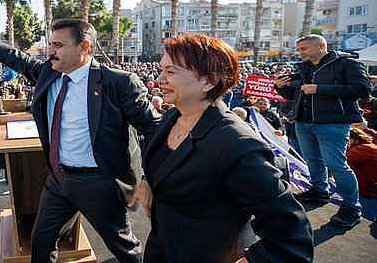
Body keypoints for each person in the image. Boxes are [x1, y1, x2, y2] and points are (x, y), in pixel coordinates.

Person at [0, 0, 161, 263]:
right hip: (58, 180)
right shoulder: (49, 72)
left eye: (58, 45)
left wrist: (149, 178)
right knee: (42, 242)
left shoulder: (118, 83)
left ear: (85, 47)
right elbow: (14, 56)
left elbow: (153, 128)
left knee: (124, 248)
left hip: (100, 184)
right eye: (50, 44)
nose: (50, 51)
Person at [139, 34, 313, 262]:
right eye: (161, 70)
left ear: (209, 80)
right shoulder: (171, 117)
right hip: (162, 248)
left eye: (170, 72)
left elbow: (292, 238)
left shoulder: (237, 144)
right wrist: (147, 183)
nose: (159, 79)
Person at [275, 34, 370, 228]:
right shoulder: (304, 68)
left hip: (333, 123)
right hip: (303, 121)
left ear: (321, 46)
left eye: (304, 49)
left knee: (336, 164)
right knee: (312, 160)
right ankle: (319, 191)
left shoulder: (347, 63)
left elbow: (362, 90)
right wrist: (280, 87)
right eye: (299, 49)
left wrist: (320, 89)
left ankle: (352, 207)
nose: (300, 52)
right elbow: (294, 94)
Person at [347, 126, 377, 221]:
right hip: (369, 191)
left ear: (354, 139)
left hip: (367, 193)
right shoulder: (369, 146)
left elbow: (341, 160)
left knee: (365, 219)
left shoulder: (362, 148)